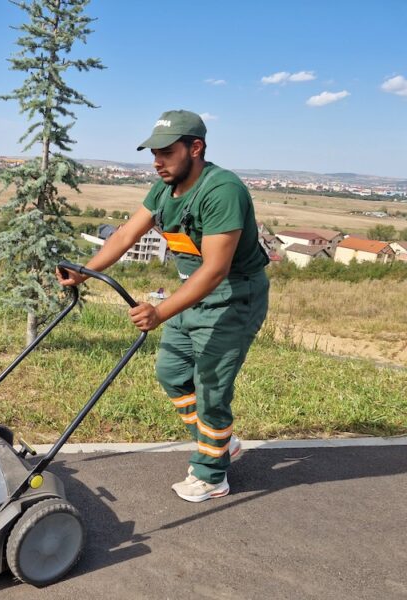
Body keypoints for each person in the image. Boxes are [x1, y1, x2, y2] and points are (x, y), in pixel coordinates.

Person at [57, 110, 270, 502]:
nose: (157, 162)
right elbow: (124, 235)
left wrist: (159, 312)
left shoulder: (222, 190)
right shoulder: (163, 189)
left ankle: (211, 474)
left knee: (211, 387)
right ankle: (219, 442)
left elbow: (216, 270)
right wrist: (84, 272)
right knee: (171, 372)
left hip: (233, 297)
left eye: (166, 152)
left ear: (196, 148)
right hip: (193, 290)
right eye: (154, 153)